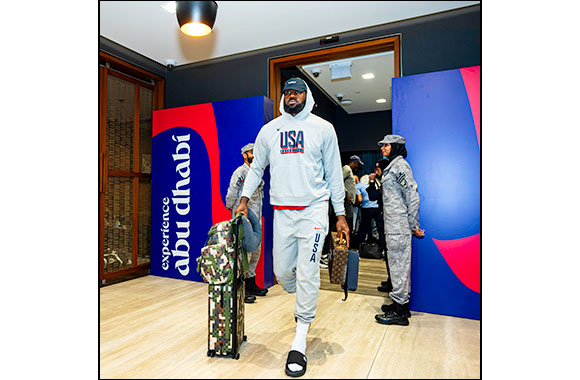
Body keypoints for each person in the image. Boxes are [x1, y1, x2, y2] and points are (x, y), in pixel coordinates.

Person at [235, 77, 349, 377]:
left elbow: (334, 174)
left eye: (297, 92)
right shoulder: (269, 131)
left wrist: (340, 214)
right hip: (282, 213)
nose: (292, 96)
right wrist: (244, 198)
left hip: (313, 213)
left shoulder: (323, 129)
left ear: (306, 95)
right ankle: (302, 292)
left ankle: (300, 338)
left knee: (308, 270)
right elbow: (256, 167)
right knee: (284, 272)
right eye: (287, 92)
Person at [368, 134, 425, 326]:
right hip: (393, 225)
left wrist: (413, 225)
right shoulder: (392, 166)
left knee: (399, 267)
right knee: (396, 266)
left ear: (396, 147)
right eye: (382, 145)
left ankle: (400, 312)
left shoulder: (399, 166)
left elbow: (412, 195)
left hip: (399, 227)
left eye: (386, 145)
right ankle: (400, 305)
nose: (382, 148)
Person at [225, 143, 268, 302]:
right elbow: (231, 194)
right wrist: (234, 212)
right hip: (244, 218)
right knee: (243, 253)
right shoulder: (241, 172)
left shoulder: (257, 173)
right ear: (245, 155)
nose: (255, 154)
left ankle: (251, 284)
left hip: (256, 219)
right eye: (252, 152)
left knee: (255, 252)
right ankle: (240, 290)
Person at [356, 174, 387, 259]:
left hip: (366, 209)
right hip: (377, 208)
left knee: (363, 229)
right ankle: (383, 249)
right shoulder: (375, 186)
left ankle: (359, 249)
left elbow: (359, 199)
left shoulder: (359, 186)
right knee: (380, 230)